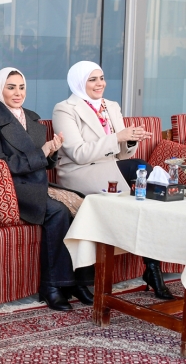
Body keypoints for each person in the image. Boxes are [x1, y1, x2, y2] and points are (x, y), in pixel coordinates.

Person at [0, 67, 94, 311]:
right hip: (10, 188)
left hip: (37, 183)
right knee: (58, 211)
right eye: (11, 88)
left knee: (84, 206)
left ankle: (78, 282)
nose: (18, 93)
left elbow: (44, 162)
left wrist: (52, 151)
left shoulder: (31, 118)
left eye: (21, 87)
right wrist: (42, 152)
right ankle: (52, 286)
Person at [52, 61, 173, 300]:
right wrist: (118, 137)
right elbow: (78, 154)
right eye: (92, 79)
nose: (100, 84)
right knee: (141, 171)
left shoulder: (111, 106)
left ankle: (153, 268)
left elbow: (122, 155)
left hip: (109, 169)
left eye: (102, 78)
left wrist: (130, 140)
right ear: (79, 82)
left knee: (146, 194)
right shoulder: (65, 109)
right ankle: (153, 269)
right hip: (79, 172)